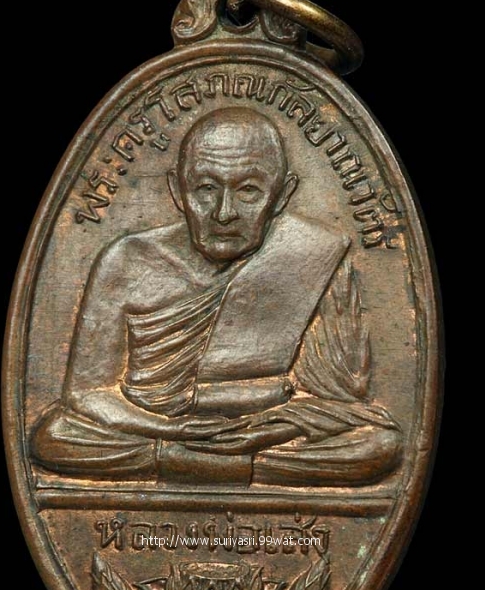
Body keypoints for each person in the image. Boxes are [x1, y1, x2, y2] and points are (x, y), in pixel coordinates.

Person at [31, 107, 402, 486]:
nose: (224, 213)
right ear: (178, 190)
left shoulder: (313, 255)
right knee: (53, 435)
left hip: (257, 432)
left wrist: (266, 432)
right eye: (206, 189)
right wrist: (170, 429)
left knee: (377, 445)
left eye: (248, 191)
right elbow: (88, 393)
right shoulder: (127, 260)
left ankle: (192, 463)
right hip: (152, 429)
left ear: (281, 195)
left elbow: (341, 405)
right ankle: (229, 467)